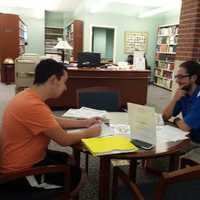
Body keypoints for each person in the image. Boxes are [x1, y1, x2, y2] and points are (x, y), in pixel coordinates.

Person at [0, 59, 102, 191]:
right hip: (19, 173)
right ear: (54, 80)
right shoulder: (33, 106)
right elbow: (64, 140)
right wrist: (92, 132)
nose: (65, 88)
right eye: (64, 82)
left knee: (67, 159)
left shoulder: (27, 96)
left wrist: (84, 122)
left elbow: (53, 121)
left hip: (25, 157)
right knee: (76, 176)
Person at [162, 60, 200, 163]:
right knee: (161, 145)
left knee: (177, 161)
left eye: (181, 77)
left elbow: (185, 127)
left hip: (197, 144)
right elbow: (164, 117)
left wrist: (176, 119)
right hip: (189, 139)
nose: (178, 81)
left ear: (193, 78)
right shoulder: (183, 93)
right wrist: (175, 99)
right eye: (177, 77)